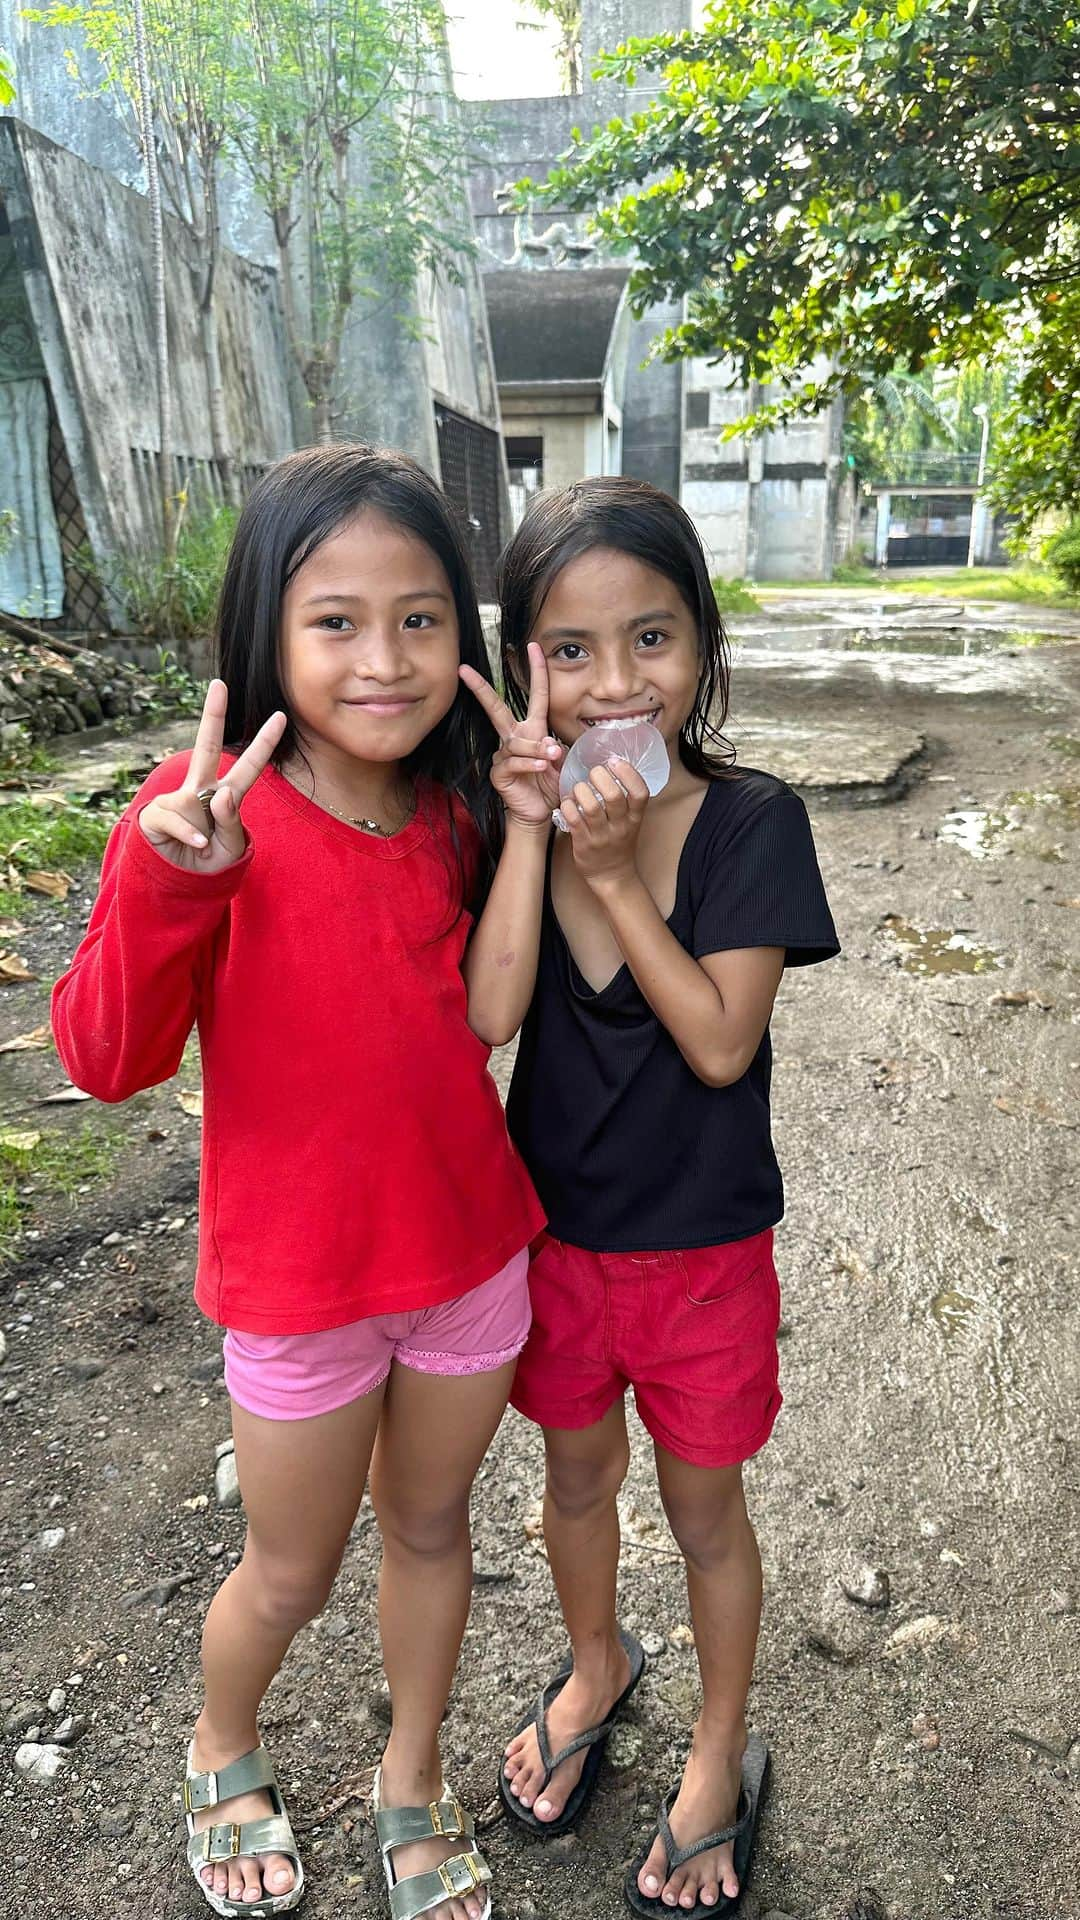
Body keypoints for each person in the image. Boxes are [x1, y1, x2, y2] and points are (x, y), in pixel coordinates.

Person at [51, 444, 564, 1920]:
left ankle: (412, 1778)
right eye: (335, 619)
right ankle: (224, 1742)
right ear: (265, 629)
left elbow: (486, 1014)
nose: (386, 658)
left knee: (432, 1533)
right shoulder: (198, 813)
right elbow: (102, 1061)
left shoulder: (457, 813)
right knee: (287, 1570)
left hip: (472, 1262)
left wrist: (530, 821)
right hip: (298, 1289)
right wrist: (168, 879)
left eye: (420, 618)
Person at [490, 477, 840, 1918]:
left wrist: (620, 872)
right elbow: (486, 1016)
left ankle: (715, 1748)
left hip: (702, 1258)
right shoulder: (502, 817)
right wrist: (529, 832)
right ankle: (596, 1664)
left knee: (705, 1512)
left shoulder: (756, 821)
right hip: (554, 1248)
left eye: (652, 639)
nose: (614, 682)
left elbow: (716, 1039)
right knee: (575, 1482)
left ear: (701, 647)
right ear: (525, 665)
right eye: (570, 651)